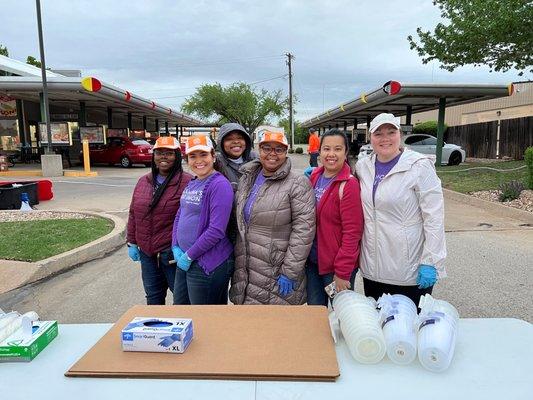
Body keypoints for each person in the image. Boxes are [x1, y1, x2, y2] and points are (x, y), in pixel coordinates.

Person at [355, 113, 446, 306]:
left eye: (391, 132)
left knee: (408, 328)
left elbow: (434, 218)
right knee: (377, 328)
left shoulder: (419, 166)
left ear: (400, 135)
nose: (385, 138)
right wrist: (321, 175)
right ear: (370, 137)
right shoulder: (364, 166)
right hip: (373, 269)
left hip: (408, 270)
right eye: (378, 133)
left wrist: (430, 261)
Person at [230, 131, 315, 305]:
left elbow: (303, 230)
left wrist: (290, 271)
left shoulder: (297, 183)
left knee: (276, 327)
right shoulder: (248, 178)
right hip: (246, 266)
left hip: (276, 269)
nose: (272, 154)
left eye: (279, 149)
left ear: (286, 152)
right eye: (266, 148)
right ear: (258, 149)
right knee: (248, 326)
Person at [127, 136, 192, 305]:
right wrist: (132, 242)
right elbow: (134, 212)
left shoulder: (187, 182)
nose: (164, 157)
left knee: (181, 300)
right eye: (159, 153)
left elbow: (192, 218)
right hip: (147, 254)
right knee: (153, 298)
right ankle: (156, 331)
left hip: (172, 254)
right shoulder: (144, 181)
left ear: (177, 156)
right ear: (153, 156)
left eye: (169, 153)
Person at [171, 135, 234, 305]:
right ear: (187, 160)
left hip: (207, 262)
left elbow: (216, 230)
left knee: (205, 319)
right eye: (193, 156)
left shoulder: (220, 185)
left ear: (213, 156)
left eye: (203, 155)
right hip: (186, 258)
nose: (199, 161)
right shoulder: (193, 182)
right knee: (181, 310)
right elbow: (180, 214)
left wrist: (189, 256)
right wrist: (175, 245)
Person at [306, 129, 364, 306]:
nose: (331, 154)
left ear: (346, 153)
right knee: (316, 316)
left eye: (337, 149)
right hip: (314, 264)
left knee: (342, 315)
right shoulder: (315, 177)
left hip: (335, 269)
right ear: (320, 151)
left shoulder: (349, 185)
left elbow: (352, 233)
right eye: (326, 149)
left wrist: (342, 272)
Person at [216, 122, 257, 191]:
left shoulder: (256, 160)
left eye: (240, 138)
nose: (236, 142)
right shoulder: (215, 163)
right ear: (221, 143)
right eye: (229, 139)